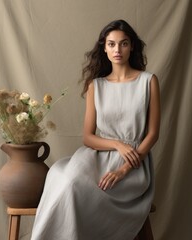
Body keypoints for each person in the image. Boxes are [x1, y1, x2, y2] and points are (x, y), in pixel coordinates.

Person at [31, 19, 160, 240]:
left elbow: (153, 134)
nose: (117, 50)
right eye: (111, 44)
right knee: (61, 177)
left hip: (133, 164)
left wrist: (122, 170)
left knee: (75, 187)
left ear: (132, 47)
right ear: (104, 48)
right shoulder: (96, 85)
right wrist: (118, 144)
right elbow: (88, 137)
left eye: (123, 43)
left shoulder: (148, 82)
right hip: (97, 156)